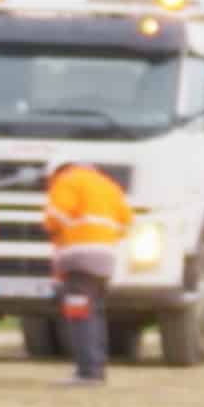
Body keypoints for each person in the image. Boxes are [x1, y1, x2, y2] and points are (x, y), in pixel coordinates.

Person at [42, 160, 132, 387]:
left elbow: (55, 218)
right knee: (95, 313)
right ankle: (96, 368)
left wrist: (57, 232)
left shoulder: (68, 181)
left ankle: (87, 371)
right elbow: (125, 223)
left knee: (80, 314)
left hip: (77, 258)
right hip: (104, 258)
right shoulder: (109, 186)